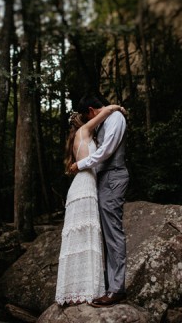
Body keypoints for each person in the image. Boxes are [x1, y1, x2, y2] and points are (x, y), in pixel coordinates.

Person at [55, 103, 126, 307]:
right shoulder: (85, 130)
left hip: (85, 185)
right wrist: (115, 106)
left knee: (84, 238)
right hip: (85, 186)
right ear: (87, 116)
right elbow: (103, 113)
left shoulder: (80, 135)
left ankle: (80, 289)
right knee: (86, 237)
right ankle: (84, 289)